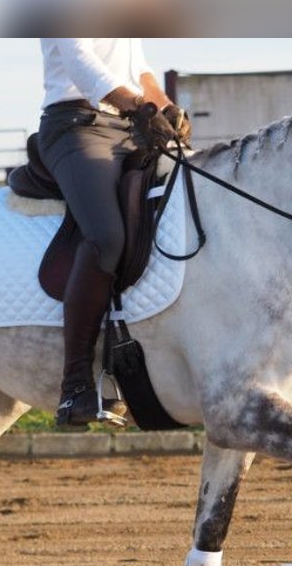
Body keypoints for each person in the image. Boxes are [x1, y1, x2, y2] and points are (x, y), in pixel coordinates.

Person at [37, 38, 191, 428]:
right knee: (106, 237)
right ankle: (74, 387)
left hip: (131, 127)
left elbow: (138, 71)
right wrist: (138, 105)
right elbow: (80, 61)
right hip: (77, 126)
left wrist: (165, 107)